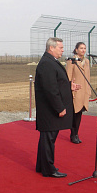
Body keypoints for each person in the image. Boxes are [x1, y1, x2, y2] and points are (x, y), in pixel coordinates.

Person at [35, 37, 81, 178]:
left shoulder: (50, 61)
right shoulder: (47, 64)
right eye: (60, 47)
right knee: (48, 139)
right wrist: (59, 108)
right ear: (51, 48)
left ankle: (42, 166)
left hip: (49, 110)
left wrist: (68, 86)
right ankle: (49, 169)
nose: (62, 50)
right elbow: (50, 89)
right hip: (50, 110)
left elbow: (56, 83)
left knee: (47, 138)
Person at [66, 42, 91, 144]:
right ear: (76, 49)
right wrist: (70, 88)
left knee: (79, 113)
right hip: (75, 90)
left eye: (84, 48)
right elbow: (68, 76)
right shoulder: (71, 61)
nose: (83, 50)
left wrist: (88, 90)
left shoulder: (87, 61)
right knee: (74, 113)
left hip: (84, 90)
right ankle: (73, 134)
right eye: (81, 48)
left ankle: (76, 133)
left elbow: (88, 76)